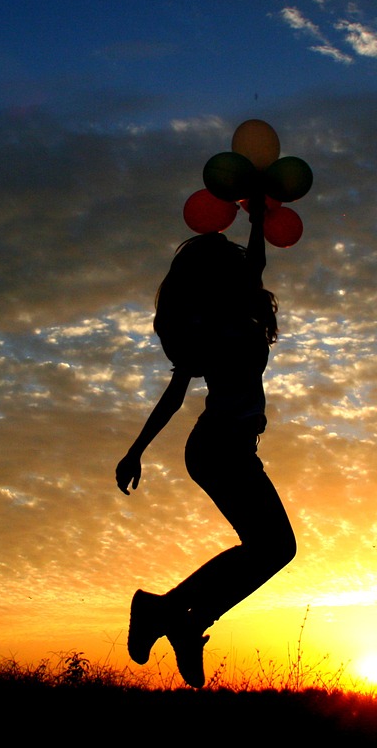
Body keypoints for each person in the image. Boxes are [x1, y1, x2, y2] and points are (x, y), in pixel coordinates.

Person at [115, 201, 296, 688]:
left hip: (234, 447)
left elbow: (255, 263)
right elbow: (175, 395)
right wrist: (136, 450)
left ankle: (177, 616)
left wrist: (258, 216)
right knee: (275, 546)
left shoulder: (241, 309)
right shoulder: (212, 327)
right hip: (218, 447)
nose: (242, 266)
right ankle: (174, 615)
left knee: (270, 547)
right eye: (230, 264)